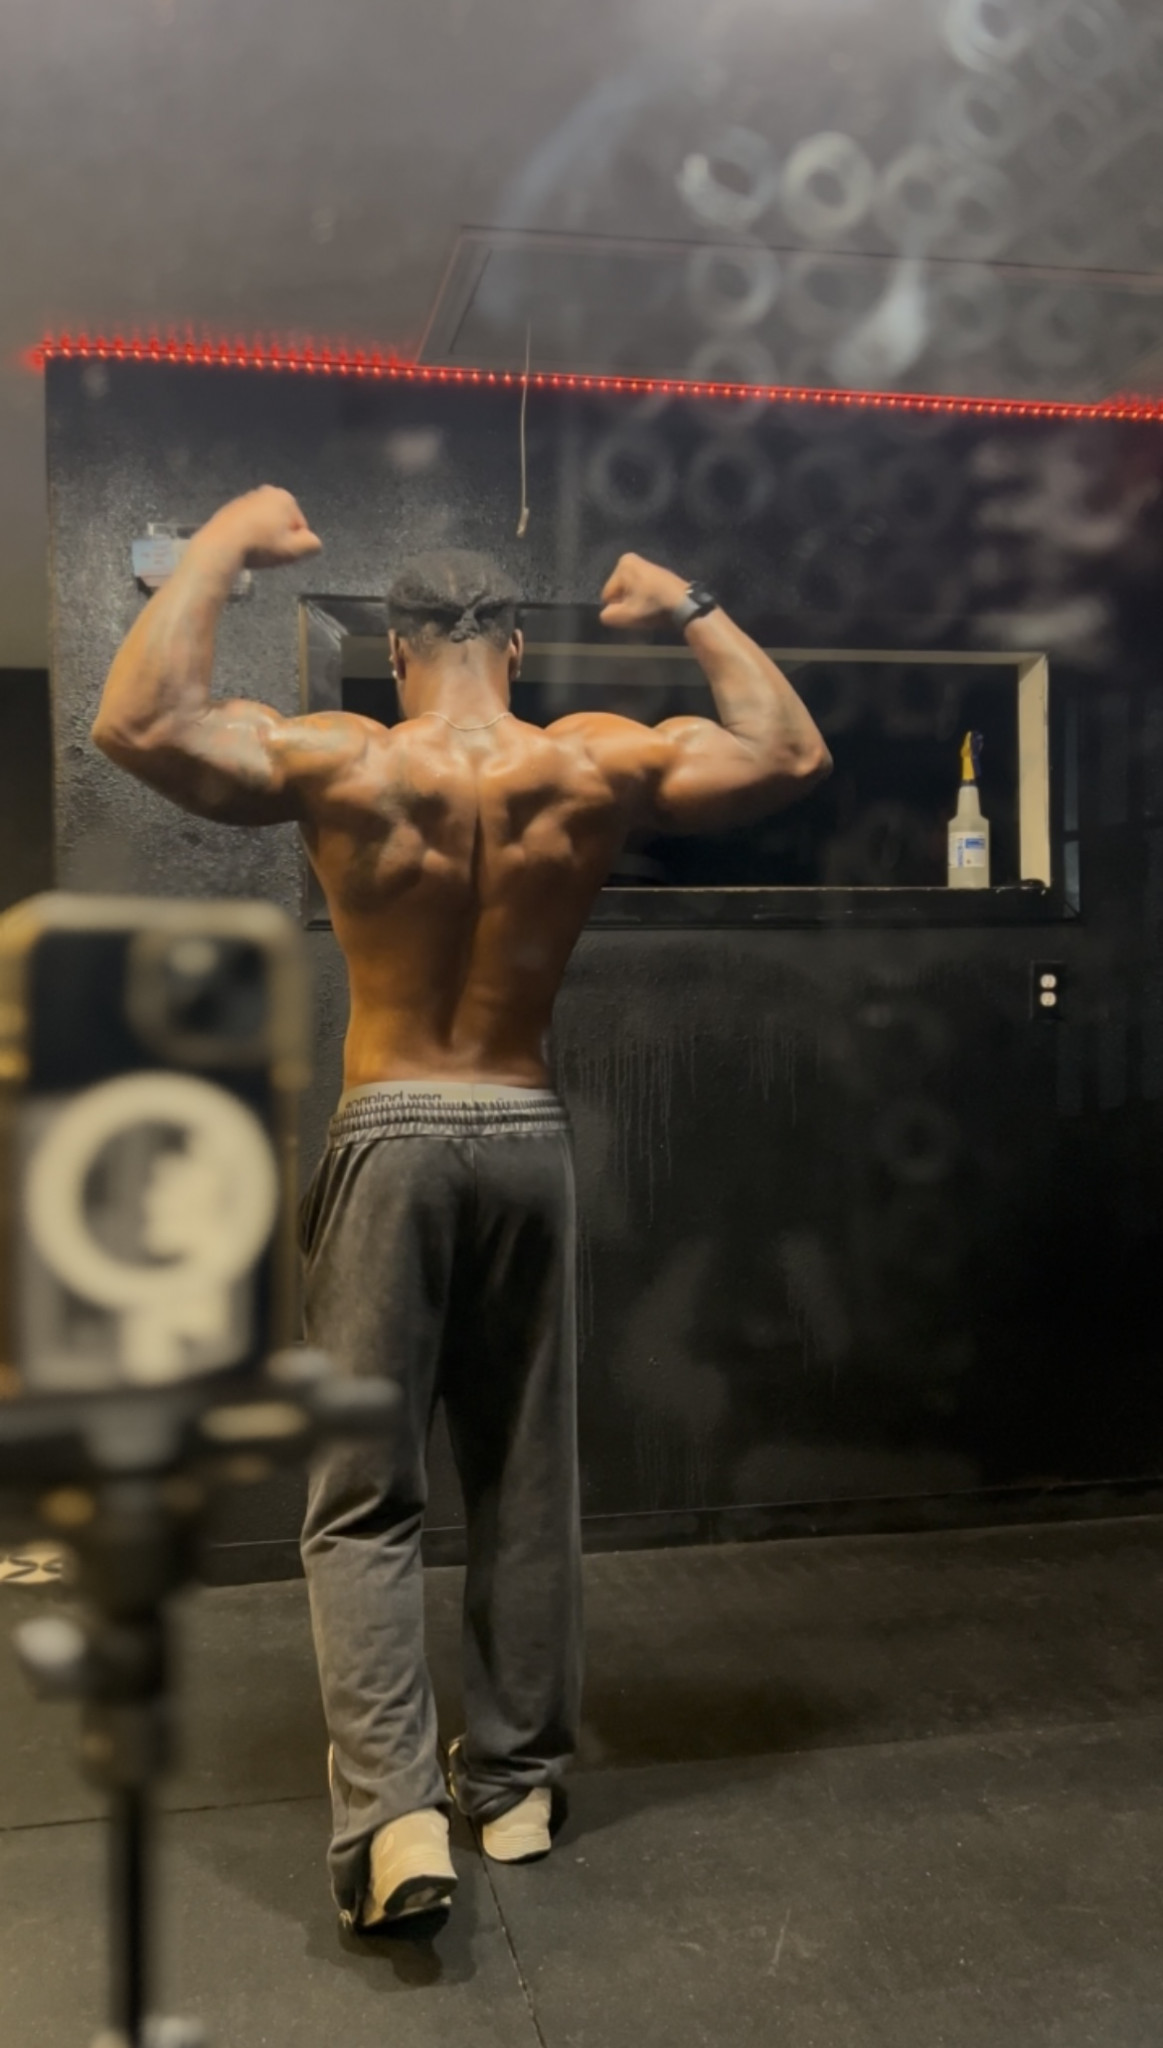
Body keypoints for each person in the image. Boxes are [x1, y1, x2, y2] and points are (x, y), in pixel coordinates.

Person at [92, 484, 832, 1934]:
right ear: (514, 649)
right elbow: (788, 750)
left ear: (395, 652)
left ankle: (393, 1823)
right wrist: (689, 604)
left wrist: (225, 544)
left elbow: (138, 723)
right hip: (524, 1131)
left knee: (365, 1495)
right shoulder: (589, 759)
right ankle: (516, 1784)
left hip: (392, 1130)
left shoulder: (347, 755)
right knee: (527, 1482)